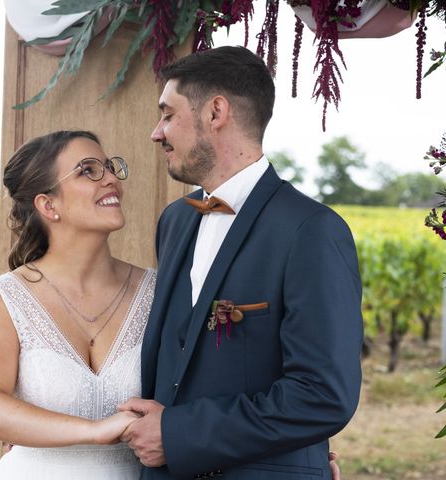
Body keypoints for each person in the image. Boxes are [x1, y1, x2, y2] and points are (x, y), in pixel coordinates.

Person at [118, 46, 363, 479]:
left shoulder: (312, 231)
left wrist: (179, 435)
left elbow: (323, 396)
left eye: (168, 115)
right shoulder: (175, 221)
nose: (157, 132)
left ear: (216, 112)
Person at [0, 130, 156, 479]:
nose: (111, 179)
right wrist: (93, 431)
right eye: (88, 170)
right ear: (48, 205)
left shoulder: (157, 292)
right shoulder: (5, 297)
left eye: (110, 167)